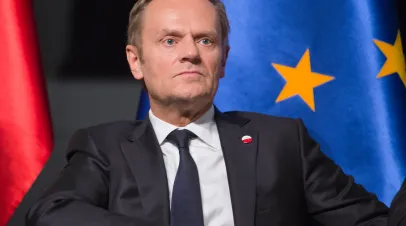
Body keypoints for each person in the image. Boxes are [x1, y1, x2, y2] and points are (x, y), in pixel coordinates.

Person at [26, 0, 389, 225]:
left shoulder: (281, 141)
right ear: (136, 61)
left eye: (205, 40)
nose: (191, 53)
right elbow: (51, 213)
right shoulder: (104, 147)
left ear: (223, 60)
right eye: (170, 40)